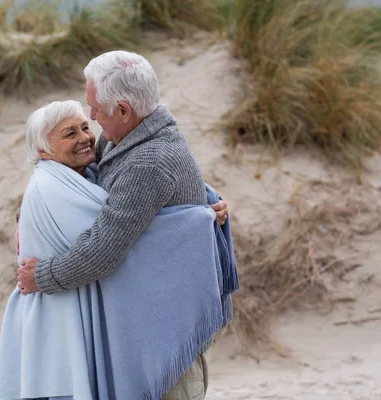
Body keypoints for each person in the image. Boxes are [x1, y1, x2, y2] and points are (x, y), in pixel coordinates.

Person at [17, 51, 233, 399]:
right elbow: (80, 186)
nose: (92, 118)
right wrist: (31, 217)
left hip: (165, 342)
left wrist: (41, 277)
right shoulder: (123, 139)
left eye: (95, 110)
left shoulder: (149, 160)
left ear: (122, 110)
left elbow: (103, 250)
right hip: (144, 329)